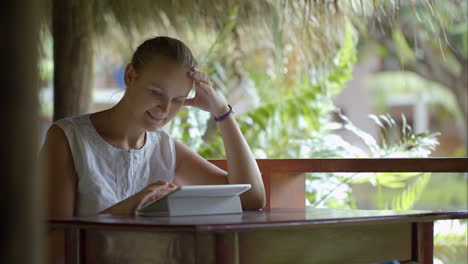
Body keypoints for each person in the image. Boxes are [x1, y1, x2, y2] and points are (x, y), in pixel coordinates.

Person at [41, 36, 266, 218]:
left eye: (178, 100)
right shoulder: (68, 139)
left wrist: (222, 113)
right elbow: (54, 240)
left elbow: (251, 198)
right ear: (130, 75)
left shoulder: (166, 150)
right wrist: (124, 210)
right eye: (156, 93)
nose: (165, 108)